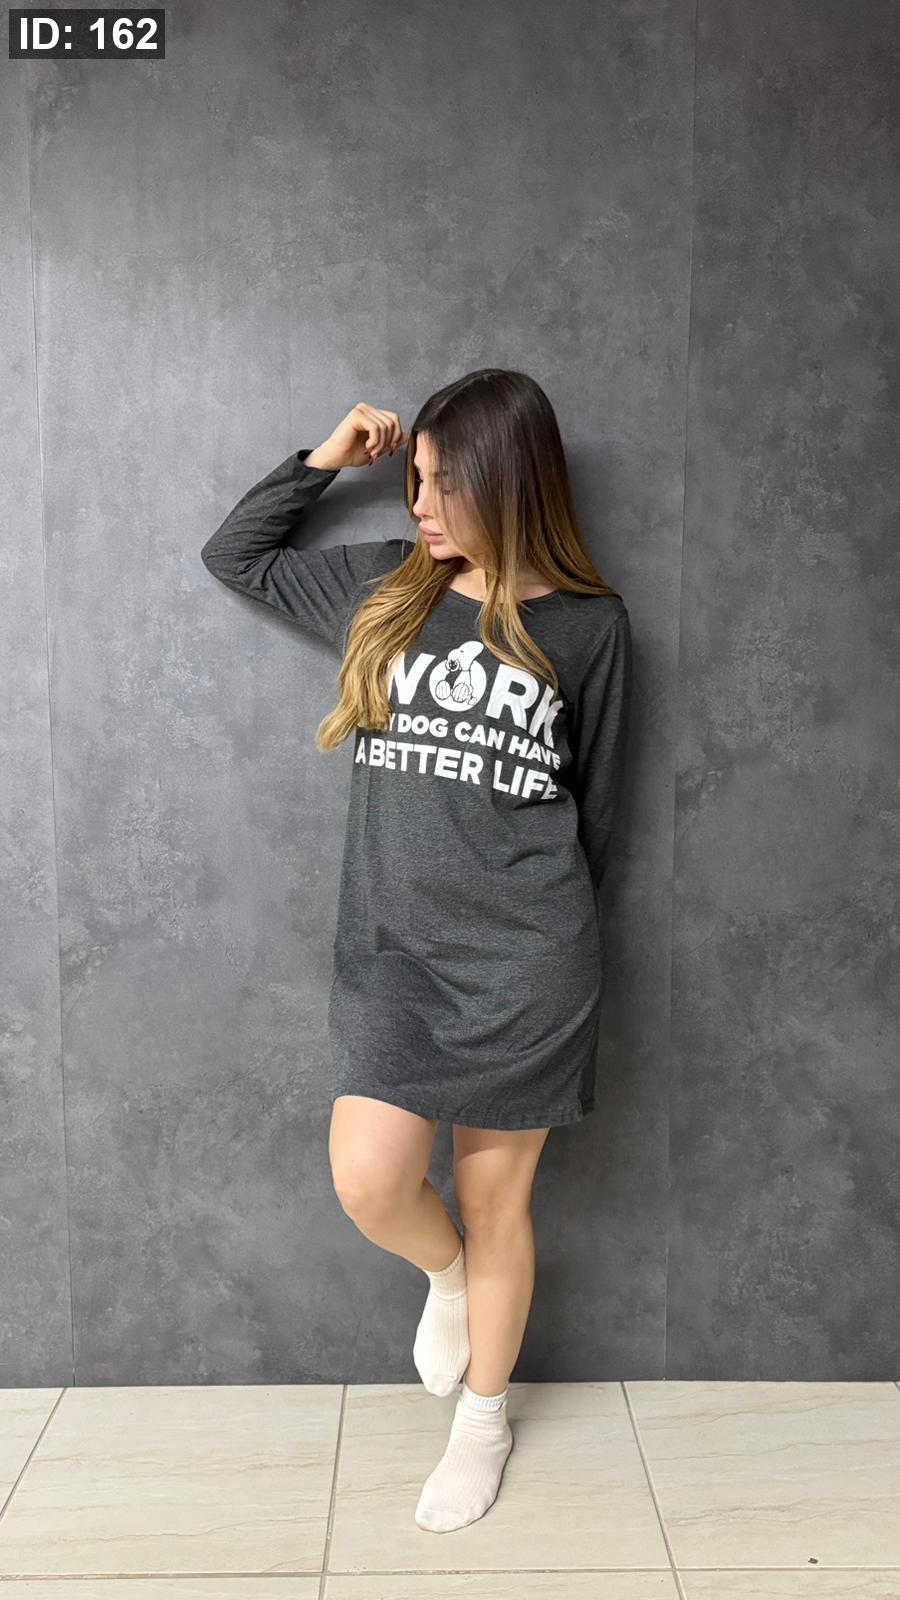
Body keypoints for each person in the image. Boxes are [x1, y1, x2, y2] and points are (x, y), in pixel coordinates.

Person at [200, 368, 633, 1533]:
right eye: (416, 479)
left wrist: (560, 954)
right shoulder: (385, 586)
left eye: (445, 485)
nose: (422, 504)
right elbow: (236, 557)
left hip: (529, 960)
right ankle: (445, 1278)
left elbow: (598, 813)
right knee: (370, 1178)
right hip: (394, 954)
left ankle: (483, 1427)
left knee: (499, 1203)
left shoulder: (590, 626)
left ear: (512, 483)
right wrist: (323, 460)